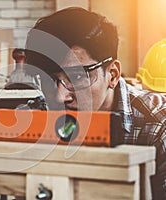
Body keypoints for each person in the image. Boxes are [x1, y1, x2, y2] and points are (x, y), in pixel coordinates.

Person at [24, 7, 166, 199]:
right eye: (48, 80)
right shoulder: (35, 114)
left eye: (76, 77)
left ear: (113, 75)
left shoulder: (158, 126)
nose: (60, 97)